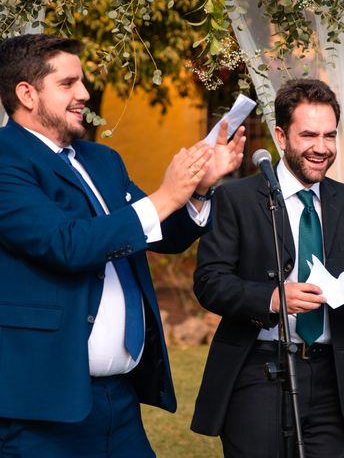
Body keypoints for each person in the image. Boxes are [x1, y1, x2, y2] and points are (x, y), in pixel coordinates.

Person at [0, 33, 245, 457]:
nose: (84, 93)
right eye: (68, 83)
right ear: (26, 93)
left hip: (120, 402)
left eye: (82, 81)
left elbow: (157, 234)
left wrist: (198, 191)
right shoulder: (6, 161)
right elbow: (66, 245)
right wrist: (166, 195)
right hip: (42, 408)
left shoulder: (102, 160)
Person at [190, 78, 344, 457]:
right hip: (256, 372)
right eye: (309, 136)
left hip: (332, 380)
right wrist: (271, 297)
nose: (322, 148)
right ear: (282, 137)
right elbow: (209, 281)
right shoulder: (236, 198)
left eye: (330, 136)